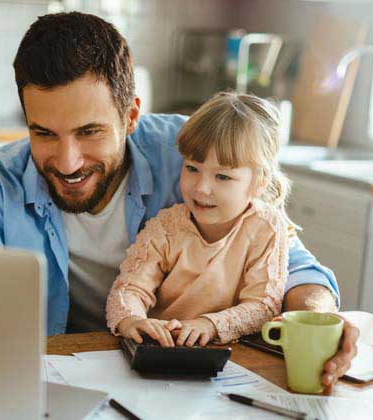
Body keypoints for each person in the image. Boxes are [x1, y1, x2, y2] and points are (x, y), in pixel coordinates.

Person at [0, 11, 358, 391]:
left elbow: (295, 265)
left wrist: (320, 318)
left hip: (181, 383)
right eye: (44, 133)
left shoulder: (194, 157)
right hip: (51, 382)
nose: (67, 163)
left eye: (89, 132)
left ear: (132, 115)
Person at [108, 91, 293, 347]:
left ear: (259, 182)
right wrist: (133, 321)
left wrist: (210, 325)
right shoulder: (166, 227)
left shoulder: (266, 228)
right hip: (159, 350)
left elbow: (264, 305)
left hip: (227, 357)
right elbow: (128, 290)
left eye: (223, 177)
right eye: (192, 169)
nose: (202, 188)